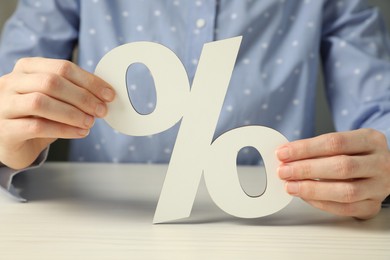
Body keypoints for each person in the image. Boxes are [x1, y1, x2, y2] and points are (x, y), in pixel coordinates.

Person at [0, 0, 389, 219]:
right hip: (99, 222)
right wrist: (7, 143)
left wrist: (382, 165)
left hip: (271, 226)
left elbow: (380, 106)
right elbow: (11, 84)